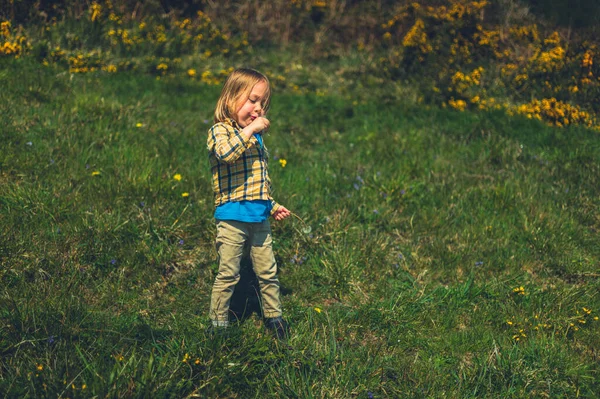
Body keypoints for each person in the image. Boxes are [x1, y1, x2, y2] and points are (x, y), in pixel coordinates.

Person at [206, 68, 291, 339]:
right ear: (231, 98)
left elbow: (257, 181)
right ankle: (218, 324)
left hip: (259, 217)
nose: (258, 109)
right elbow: (225, 154)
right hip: (232, 217)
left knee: (268, 271)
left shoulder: (255, 138)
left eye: (263, 104)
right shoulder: (220, 131)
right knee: (229, 273)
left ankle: (274, 317)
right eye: (252, 100)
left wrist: (272, 205)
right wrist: (252, 129)